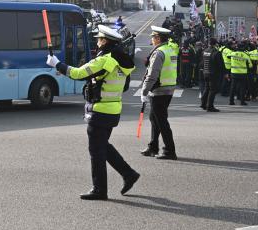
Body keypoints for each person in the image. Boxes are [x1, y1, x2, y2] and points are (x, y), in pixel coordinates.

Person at [46, 25, 139, 200]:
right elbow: (124, 86)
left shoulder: (104, 59)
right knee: (103, 146)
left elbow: (78, 73)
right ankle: (128, 174)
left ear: (104, 41)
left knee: (96, 151)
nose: (97, 42)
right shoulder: (122, 60)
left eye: (99, 39)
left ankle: (99, 190)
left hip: (99, 111)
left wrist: (57, 64)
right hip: (113, 110)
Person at [140, 26, 178, 160]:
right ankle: (153, 146)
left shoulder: (159, 52)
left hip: (159, 90)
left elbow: (152, 75)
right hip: (168, 88)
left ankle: (169, 151)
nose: (151, 39)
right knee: (154, 118)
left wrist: (144, 91)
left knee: (161, 121)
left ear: (157, 38)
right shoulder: (170, 49)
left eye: (153, 37)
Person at [200, 38, 224, 112]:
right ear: (215, 44)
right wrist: (224, 73)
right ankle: (209, 106)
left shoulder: (205, 51)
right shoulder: (216, 52)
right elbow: (220, 64)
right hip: (213, 73)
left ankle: (203, 104)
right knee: (212, 90)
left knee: (207, 88)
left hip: (205, 72)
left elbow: (202, 62)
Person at [228, 41, 252, 106]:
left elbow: (228, 56)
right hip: (243, 74)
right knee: (242, 88)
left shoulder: (232, 53)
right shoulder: (245, 55)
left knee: (232, 87)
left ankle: (231, 101)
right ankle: (242, 102)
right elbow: (250, 66)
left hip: (234, 73)